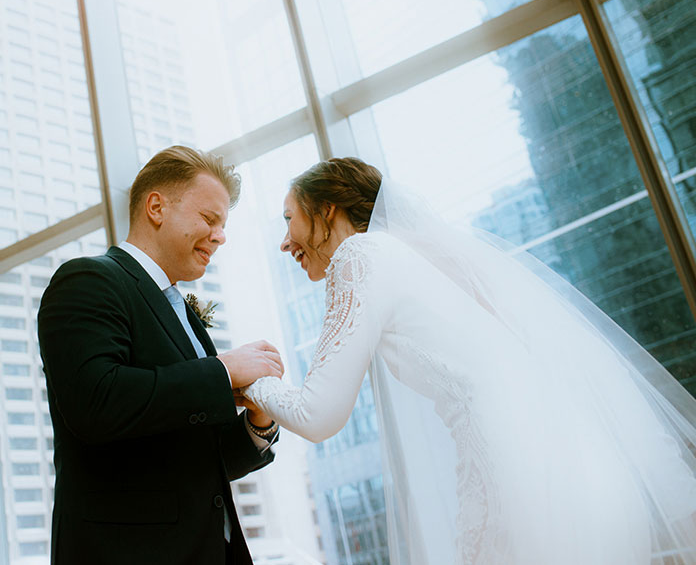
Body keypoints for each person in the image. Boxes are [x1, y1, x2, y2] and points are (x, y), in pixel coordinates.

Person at [241, 157, 696, 565]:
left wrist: (244, 377)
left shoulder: (360, 255)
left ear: (327, 210)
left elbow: (318, 414)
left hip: (515, 483)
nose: (284, 242)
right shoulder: (426, 258)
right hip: (583, 473)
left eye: (288, 219)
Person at [38, 145, 283, 565]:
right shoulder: (88, 280)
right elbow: (96, 401)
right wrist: (222, 372)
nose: (221, 236)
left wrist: (258, 424)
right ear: (156, 207)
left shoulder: (182, 311)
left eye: (223, 226)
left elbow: (201, 460)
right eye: (210, 219)